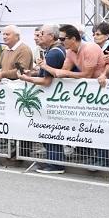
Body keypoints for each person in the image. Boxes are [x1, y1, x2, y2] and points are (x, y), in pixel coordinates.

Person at [18, 24, 67, 174]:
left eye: (42, 34)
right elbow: (45, 73)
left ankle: (55, 164)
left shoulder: (53, 53)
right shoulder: (51, 51)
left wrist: (27, 78)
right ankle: (54, 162)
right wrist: (33, 73)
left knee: (50, 130)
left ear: (51, 36)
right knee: (49, 131)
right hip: (51, 98)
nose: (39, 36)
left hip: (51, 98)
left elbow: (46, 81)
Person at [38, 24, 105, 80]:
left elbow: (87, 75)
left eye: (62, 39)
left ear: (73, 39)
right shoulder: (70, 52)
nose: (60, 42)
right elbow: (61, 73)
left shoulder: (90, 48)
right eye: (59, 39)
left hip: (104, 87)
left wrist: (66, 73)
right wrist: (44, 66)